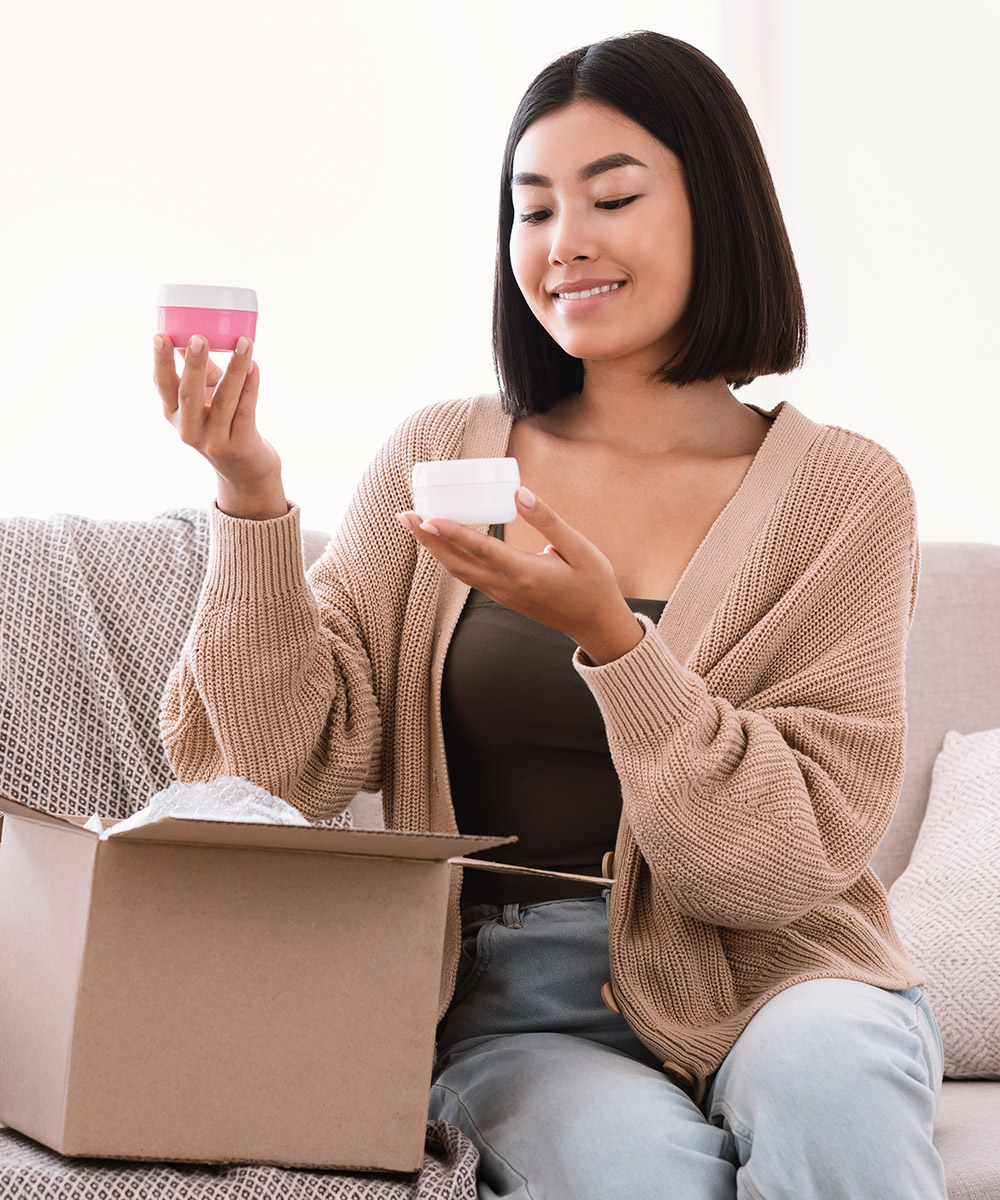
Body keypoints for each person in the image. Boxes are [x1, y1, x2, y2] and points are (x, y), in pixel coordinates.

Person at [153, 29, 947, 1200]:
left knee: (832, 1086)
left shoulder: (843, 497)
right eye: (530, 212)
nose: (562, 243)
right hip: (519, 1009)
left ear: (715, 210)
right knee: (637, 1176)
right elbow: (276, 768)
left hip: (786, 973)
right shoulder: (439, 456)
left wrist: (616, 645)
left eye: (610, 196)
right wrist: (251, 499)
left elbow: (777, 870)